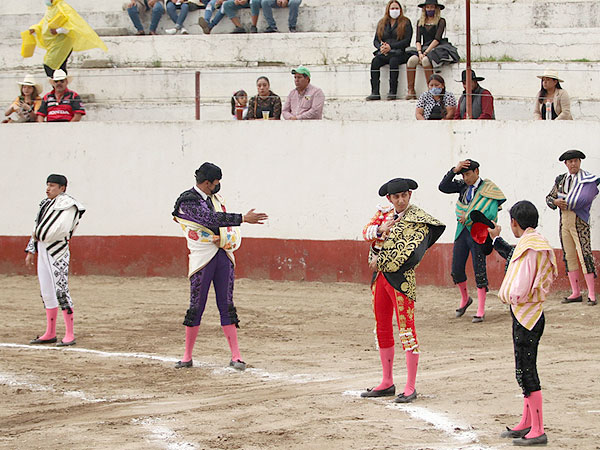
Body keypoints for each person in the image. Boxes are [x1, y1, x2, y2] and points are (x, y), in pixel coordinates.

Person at [172, 162, 268, 370]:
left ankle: (236, 356)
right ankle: (187, 356)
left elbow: (222, 223)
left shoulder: (215, 199)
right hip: (202, 258)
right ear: (207, 183)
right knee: (196, 305)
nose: (218, 186)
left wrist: (228, 234)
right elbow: (210, 219)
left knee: (226, 303)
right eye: (216, 183)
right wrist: (243, 218)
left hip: (222, 254)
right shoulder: (187, 201)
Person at [361, 178, 445, 403]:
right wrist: (380, 230)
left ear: (410, 195)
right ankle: (387, 381)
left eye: (404, 196)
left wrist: (381, 260)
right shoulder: (384, 214)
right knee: (382, 327)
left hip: (402, 280)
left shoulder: (417, 218)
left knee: (406, 330)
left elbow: (413, 253)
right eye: (396, 197)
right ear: (389, 198)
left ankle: (410, 386)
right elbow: (366, 233)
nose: (400, 200)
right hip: (380, 279)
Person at [488, 201, 557, 446]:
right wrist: (496, 239)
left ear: (514, 223)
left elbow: (519, 285)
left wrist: (508, 295)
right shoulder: (532, 243)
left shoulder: (529, 247)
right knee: (523, 368)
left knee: (527, 370)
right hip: (528, 313)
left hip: (526, 313)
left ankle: (537, 428)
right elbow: (512, 255)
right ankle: (527, 422)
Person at [438, 159, 506, 322]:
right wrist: (455, 170)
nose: (466, 178)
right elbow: (443, 187)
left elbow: (490, 213)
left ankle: (481, 309)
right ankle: (465, 298)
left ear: (477, 172)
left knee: (479, 269)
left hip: (478, 232)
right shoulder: (462, 185)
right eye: (464, 174)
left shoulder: (489, 188)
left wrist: (468, 218)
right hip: (462, 232)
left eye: (468, 174)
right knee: (456, 268)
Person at [25, 174, 86, 347]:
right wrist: (32, 248)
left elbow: (60, 230)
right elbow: (36, 227)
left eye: (52, 186)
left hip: (57, 250)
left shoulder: (69, 205)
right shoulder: (45, 204)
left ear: (62, 188)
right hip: (43, 249)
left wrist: (40, 236)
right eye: (47, 185)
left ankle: (69, 333)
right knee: (46, 290)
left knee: (61, 289)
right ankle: (50, 332)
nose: (48, 189)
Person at [545, 150, 599, 306]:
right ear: (566, 164)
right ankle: (575, 292)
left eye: (576, 161)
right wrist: (555, 203)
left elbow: (585, 199)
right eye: (570, 161)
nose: (573, 164)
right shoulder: (561, 180)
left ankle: (591, 294)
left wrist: (564, 202)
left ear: (580, 162)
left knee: (585, 255)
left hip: (580, 222)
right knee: (569, 256)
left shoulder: (586, 180)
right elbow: (549, 198)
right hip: (564, 222)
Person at [24, 0, 107, 78]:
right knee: (59, 68)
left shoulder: (62, 7)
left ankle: (58, 87)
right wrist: (34, 29)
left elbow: (71, 25)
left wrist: (57, 31)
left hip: (62, 43)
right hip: (54, 44)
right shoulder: (51, 9)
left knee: (49, 65)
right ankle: (59, 89)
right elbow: (43, 24)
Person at [405, 0, 459, 100]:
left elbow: (437, 39)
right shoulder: (420, 22)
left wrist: (425, 53)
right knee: (411, 61)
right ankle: (411, 90)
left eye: (432, 7)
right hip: (423, 47)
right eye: (428, 7)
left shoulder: (441, 21)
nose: (430, 9)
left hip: (436, 47)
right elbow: (417, 40)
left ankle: (430, 90)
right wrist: (420, 52)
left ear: (436, 8)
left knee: (426, 60)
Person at [366, 0, 413, 101]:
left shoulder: (406, 22)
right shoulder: (382, 23)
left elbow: (407, 41)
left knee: (394, 61)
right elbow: (376, 40)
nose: (394, 10)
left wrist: (391, 46)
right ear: (388, 10)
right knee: (375, 62)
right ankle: (375, 92)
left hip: (399, 53)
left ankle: (393, 92)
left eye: (396, 8)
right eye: (392, 8)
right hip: (385, 53)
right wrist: (381, 47)